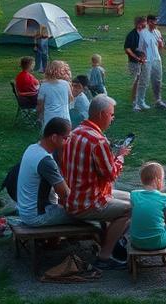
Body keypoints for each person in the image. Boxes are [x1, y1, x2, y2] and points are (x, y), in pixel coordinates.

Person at [63, 94, 133, 270]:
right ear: (102, 114)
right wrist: (121, 157)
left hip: (75, 196)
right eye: (111, 114)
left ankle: (112, 239)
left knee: (135, 198)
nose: (112, 118)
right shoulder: (98, 141)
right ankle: (105, 255)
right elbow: (111, 174)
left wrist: (113, 157)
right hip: (88, 202)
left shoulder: (75, 132)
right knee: (130, 209)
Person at [16, 117, 74, 227]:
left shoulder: (32, 148)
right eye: (66, 138)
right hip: (36, 216)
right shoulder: (45, 160)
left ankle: (54, 242)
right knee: (84, 213)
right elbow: (65, 194)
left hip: (25, 212)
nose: (68, 142)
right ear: (54, 137)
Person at [139, 14, 166, 110]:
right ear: (148, 22)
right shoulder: (143, 33)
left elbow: (161, 47)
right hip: (147, 61)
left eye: (156, 21)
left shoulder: (157, 32)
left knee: (157, 81)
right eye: (153, 22)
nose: (155, 24)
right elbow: (140, 48)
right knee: (144, 81)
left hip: (157, 59)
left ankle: (158, 101)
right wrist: (142, 59)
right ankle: (140, 102)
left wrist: (161, 44)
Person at [36, 60, 73, 130]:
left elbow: (39, 105)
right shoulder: (65, 84)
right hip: (65, 119)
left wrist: (39, 117)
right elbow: (71, 99)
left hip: (50, 120)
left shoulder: (44, 86)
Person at [124, 16, 148, 111]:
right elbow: (127, 49)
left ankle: (141, 101)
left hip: (145, 61)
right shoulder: (131, 35)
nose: (146, 25)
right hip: (134, 63)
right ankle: (135, 103)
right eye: (144, 24)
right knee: (136, 82)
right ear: (139, 24)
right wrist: (137, 58)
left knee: (143, 82)